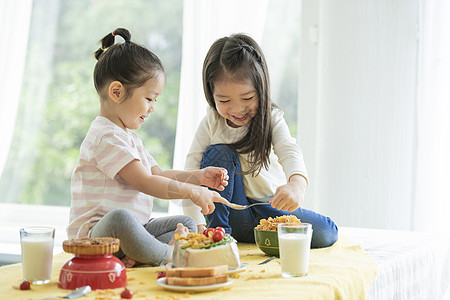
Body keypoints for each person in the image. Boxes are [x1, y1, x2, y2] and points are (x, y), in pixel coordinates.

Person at [67, 28, 230, 267]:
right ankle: (168, 254)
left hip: (134, 231)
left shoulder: (130, 138)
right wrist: (192, 192)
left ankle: (138, 255)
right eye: (149, 98)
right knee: (120, 219)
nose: (153, 107)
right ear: (117, 92)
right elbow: (145, 182)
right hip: (96, 238)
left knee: (187, 222)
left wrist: (197, 177)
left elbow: (159, 175)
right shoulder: (105, 136)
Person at [182, 33, 338, 248]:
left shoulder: (271, 118)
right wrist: (195, 223)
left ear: (261, 89)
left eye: (247, 98)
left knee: (326, 232)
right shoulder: (212, 121)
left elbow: (289, 150)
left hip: (269, 209)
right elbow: (190, 169)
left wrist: (296, 184)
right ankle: (220, 235)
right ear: (211, 94)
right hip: (230, 213)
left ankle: (262, 238)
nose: (237, 109)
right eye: (224, 100)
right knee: (218, 152)